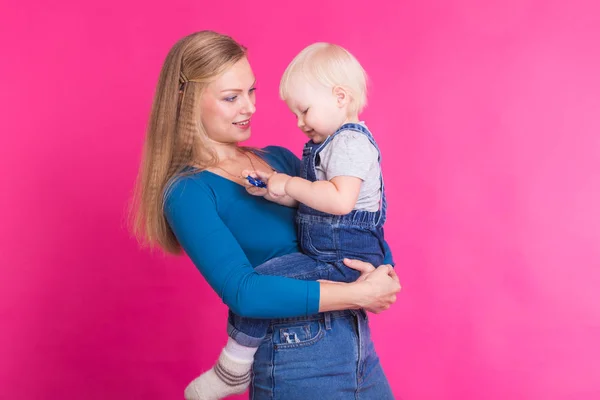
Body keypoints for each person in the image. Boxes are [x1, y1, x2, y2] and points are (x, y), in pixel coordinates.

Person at [132, 31, 400, 400]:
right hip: (296, 362)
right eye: (231, 97)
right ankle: (230, 371)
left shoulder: (279, 162)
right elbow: (246, 293)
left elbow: (345, 221)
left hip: (358, 350)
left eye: (251, 91)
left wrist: (382, 270)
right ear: (186, 101)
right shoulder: (189, 192)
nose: (250, 107)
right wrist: (358, 294)